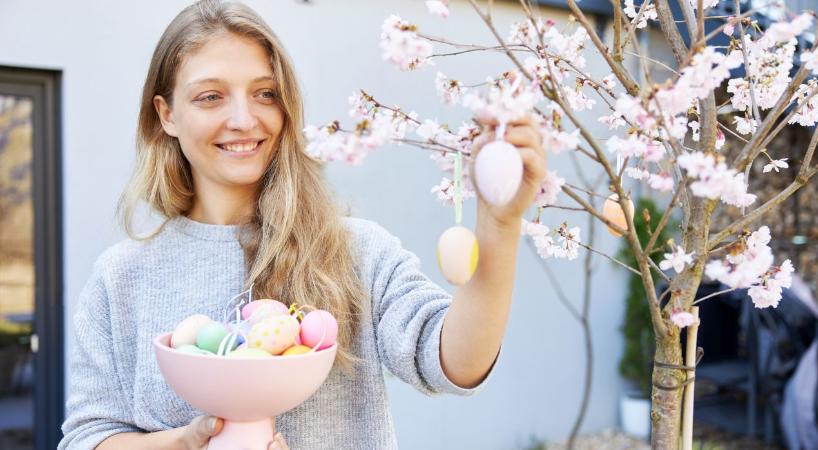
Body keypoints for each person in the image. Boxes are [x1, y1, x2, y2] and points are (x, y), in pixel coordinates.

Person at [58, 0, 546, 449]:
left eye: (265, 93)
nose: (244, 118)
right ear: (166, 114)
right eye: (211, 97)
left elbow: (455, 363)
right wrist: (183, 443)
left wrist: (499, 225)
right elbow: (89, 438)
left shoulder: (356, 252)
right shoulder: (121, 278)